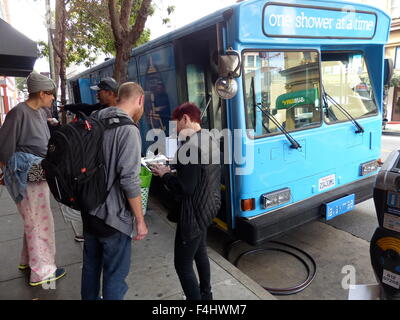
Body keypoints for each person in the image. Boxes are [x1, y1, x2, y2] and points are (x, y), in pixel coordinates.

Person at [80, 82, 148, 300]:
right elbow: (129, 179)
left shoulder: (94, 119)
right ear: (140, 100)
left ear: (118, 97)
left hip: (89, 210)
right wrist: (139, 220)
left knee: (90, 268)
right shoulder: (128, 130)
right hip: (113, 218)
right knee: (115, 276)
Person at [0, 72, 66, 287]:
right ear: (41, 93)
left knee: (35, 220)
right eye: (51, 95)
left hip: (39, 173)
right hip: (26, 176)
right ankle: (43, 274)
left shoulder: (39, 111)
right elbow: (4, 149)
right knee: (39, 222)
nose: (53, 99)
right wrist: (6, 174)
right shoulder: (18, 113)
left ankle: (28, 261)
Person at [151, 102, 221, 300]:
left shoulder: (190, 147)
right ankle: (206, 296)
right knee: (200, 252)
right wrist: (177, 166)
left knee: (182, 264)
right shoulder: (209, 138)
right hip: (209, 206)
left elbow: (185, 188)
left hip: (193, 212)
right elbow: (201, 172)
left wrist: (165, 174)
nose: (177, 130)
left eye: (177, 125)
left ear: (186, 119)